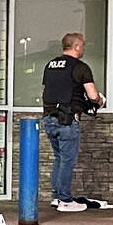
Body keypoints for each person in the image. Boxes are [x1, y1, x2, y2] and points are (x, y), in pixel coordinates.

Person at [41, 32, 102, 213]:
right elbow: (92, 95)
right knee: (67, 160)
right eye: (82, 45)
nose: (83, 48)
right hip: (67, 120)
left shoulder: (50, 65)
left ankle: (56, 197)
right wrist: (99, 101)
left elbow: (43, 92)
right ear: (76, 47)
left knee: (59, 158)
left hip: (49, 118)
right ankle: (65, 199)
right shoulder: (80, 67)